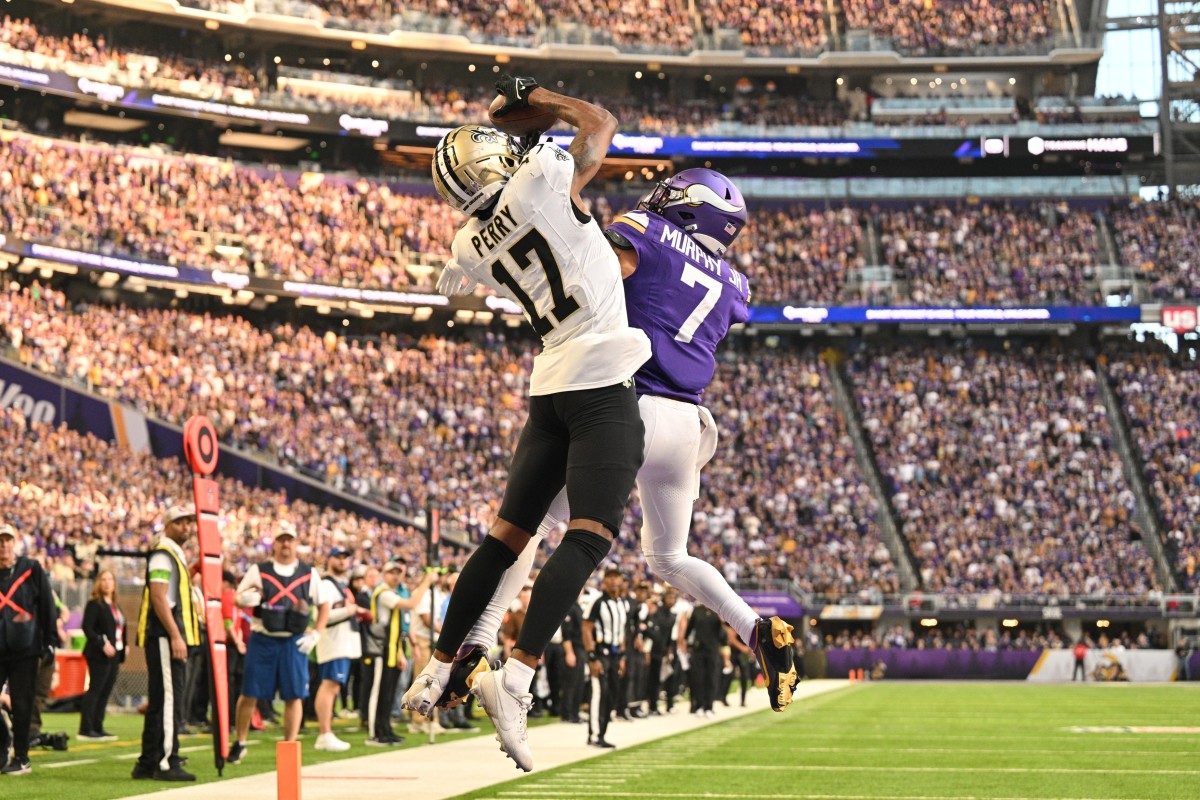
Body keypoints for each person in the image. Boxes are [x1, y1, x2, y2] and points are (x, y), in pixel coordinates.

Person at [419, 165, 799, 722]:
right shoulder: (736, 286)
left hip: (628, 406)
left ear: (687, 206)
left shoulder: (645, 230)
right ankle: (757, 627)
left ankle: (476, 642)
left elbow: (583, 267)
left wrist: (486, 262)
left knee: (532, 527)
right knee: (670, 557)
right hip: (688, 425)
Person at [403, 74, 652, 773]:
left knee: (504, 540)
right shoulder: (541, 176)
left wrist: (517, 129)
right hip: (603, 381)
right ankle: (517, 676)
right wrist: (541, 100)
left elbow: (488, 239)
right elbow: (599, 124)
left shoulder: (468, 247)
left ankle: (442, 661)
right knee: (589, 534)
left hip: (549, 392)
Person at [228, 520, 329, 764]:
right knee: (250, 692)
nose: (285, 544)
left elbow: (323, 604)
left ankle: (289, 749)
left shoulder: (308, 572)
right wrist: (246, 599)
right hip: (263, 639)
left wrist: (316, 634)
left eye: (289, 539)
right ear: (274, 544)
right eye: (281, 539)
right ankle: (240, 742)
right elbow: (238, 598)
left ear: (295, 543)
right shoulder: (259, 570)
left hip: (293, 642)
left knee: (294, 696)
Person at [133, 505, 200, 782]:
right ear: (168, 524)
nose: (186, 527)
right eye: (180, 522)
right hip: (165, 635)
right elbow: (160, 598)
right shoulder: (164, 554)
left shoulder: (171, 553)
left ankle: (148, 761)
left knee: (161, 700)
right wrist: (175, 634)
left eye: (188, 523)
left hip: (165, 635)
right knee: (170, 699)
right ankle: (166, 761)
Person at [0, 522, 57, 776]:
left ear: (15, 541)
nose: (3, 545)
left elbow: (46, 605)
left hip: (26, 647)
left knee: (23, 704)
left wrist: (50, 641)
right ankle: (4, 746)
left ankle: (21, 757)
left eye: (7, 540)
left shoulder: (31, 568)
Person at [361, 559, 433, 746]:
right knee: (379, 692)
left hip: (391, 648)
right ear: (384, 575)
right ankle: (375, 733)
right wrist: (426, 582)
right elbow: (410, 604)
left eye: (397, 572)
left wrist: (400, 652)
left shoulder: (390, 592)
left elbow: (398, 628)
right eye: (391, 572)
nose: (395, 576)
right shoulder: (383, 593)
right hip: (380, 649)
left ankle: (385, 729)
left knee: (388, 691)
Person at [311, 547, 359, 752]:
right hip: (333, 642)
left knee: (334, 687)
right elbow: (322, 615)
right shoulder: (326, 584)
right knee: (329, 686)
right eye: (337, 557)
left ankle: (327, 732)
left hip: (343, 643)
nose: (342, 561)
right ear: (328, 559)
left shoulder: (340, 584)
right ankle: (325, 732)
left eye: (345, 558)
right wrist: (348, 610)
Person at [582, 568, 626, 749]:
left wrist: (622, 657)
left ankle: (603, 733)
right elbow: (586, 628)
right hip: (601, 653)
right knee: (599, 694)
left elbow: (623, 632)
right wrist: (592, 657)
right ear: (604, 581)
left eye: (617, 578)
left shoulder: (622, 603)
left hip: (615, 655)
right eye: (610, 578)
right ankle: (594, 735)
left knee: (611, 695)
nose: (614, 581)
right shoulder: (597, 601)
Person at [79, 569, 125, 741]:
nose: (107, 583)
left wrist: (124, 646)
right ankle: (86, 728)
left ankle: (98, 727)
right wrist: (102, 643)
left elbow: (120, 628)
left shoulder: (114, 605)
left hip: (114, 654)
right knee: (95, 689)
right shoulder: (95, 604)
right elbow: (88, 628)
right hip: (99, 654)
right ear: (99, 583)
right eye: (103, 579)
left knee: (105, 690)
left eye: (110, 579)